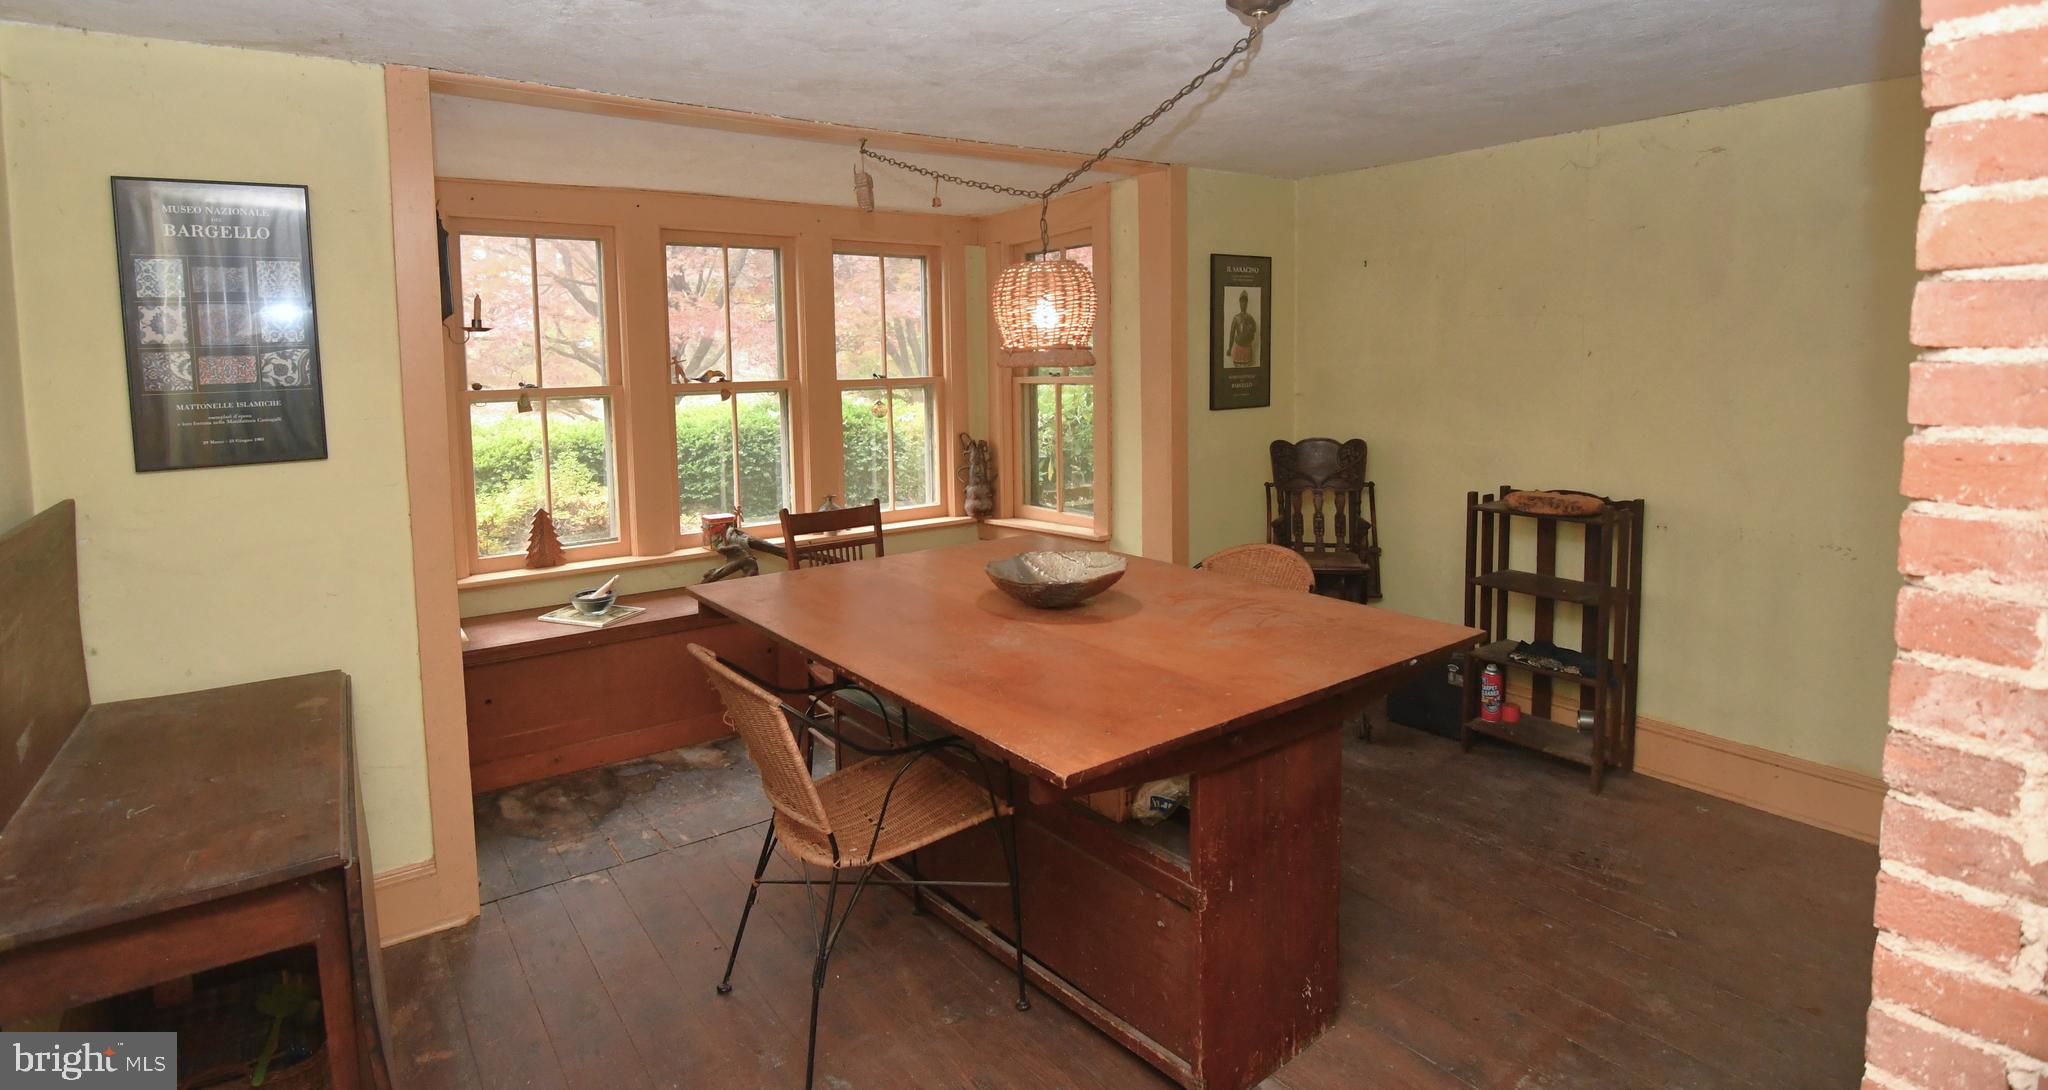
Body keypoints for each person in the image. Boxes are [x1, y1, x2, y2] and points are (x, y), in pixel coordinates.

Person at [1228, 290, 1259, 367]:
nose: (1243, 303)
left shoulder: (1251, 318)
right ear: (1239, 303)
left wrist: (1249, 336)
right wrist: (1229, 348)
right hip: (1238, 349)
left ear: (1247, 303)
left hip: (1248, 349)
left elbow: (1253, 333)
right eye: (1242, 301)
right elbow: (1232, 334)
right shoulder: (1236, 318)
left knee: (1247, 371)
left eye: (1245, 301)